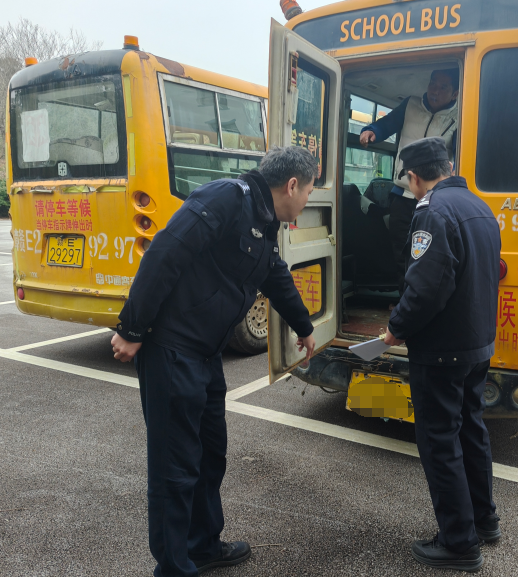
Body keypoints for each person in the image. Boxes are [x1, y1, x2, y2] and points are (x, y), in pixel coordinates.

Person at [110, 147, 318, 577]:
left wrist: (303, 325)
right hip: (172, 350)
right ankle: (173, 566)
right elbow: (165, 252)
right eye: (309, 191)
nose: (307, 201)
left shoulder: (264, 220)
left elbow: (274, 273)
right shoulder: (226, 198)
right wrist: (131, 328)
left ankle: (203, 546)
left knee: (209, 456)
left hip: (206, 355)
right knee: (175, 466)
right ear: (292, 185)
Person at [383, 138, 502, 572]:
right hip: (477, 344)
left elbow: (427, 286)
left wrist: (396, 328)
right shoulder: (479, 207)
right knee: (471, 429)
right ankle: (484, 521)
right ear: (449, 167)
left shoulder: (431, 212)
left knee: (439, 441)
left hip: (441, 350)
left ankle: (458, 542)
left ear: (414, 176)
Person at [359, 69, 460, 295]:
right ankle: (405, 302)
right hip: (402, 195)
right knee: (400, 252)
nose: (435, 90)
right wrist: (372, 131)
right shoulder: (411, 105)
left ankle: (424, 303)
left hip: (435, 199)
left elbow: (462, 153)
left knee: (429, 253)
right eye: (433, 83)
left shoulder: (458, 117)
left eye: (443, 87)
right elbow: (387, 124)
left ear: (455, 94)